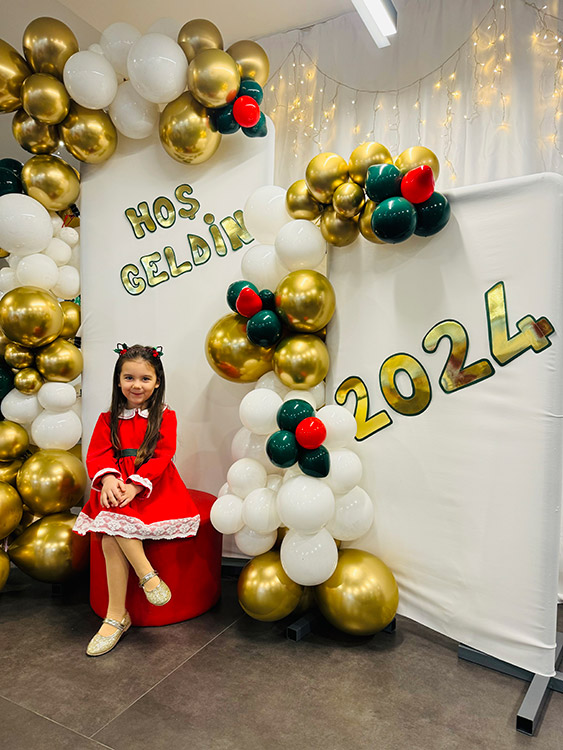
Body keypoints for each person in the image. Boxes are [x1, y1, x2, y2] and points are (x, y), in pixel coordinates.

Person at [73, 343, 200, 657]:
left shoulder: (165, 416)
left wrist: (135, 485)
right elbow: (98, 454)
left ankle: (117, 615)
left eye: (145, 378)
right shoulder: (108, 418)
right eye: (129, 377)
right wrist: (109, 479)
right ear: (118, 381)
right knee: (111, 526)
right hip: (117, 482)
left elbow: (162, 456)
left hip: (154, 485)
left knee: (112, 532)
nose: (136, 385)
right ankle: (141, 584)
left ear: (157, 382)